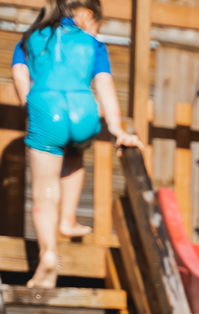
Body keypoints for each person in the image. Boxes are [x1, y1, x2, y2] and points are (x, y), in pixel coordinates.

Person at [10, 0, 141, 288]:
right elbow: (105, 84)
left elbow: (19, 73)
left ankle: (48, 255)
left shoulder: (31, 37)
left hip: (47, 108)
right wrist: (118, 129)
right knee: (74, 154)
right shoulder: (93, 43)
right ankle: (68, 219)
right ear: (84, 15)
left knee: (45, 192)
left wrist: (27, 101)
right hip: (84, 110)